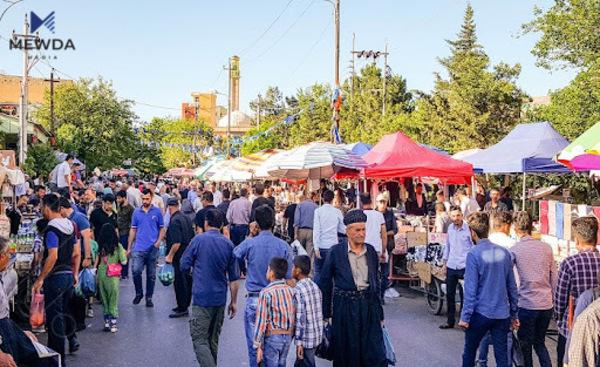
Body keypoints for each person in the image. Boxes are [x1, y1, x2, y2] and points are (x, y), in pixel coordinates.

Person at [318, 209, 386, 367]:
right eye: (357, 230)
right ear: (347, 232)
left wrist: (380, 314)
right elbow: (325, 283)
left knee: (373, 353)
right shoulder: (336, 252)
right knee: (347, 353)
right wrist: (326, 314)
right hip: (345, 308)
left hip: (368, 307)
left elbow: (376, 283)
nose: (362, 234)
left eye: (364, 229)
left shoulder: (370, 252)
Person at [233, 204, 294, 367]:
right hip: (278, 301)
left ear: (256, 224)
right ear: (273, 222)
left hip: (255, 299)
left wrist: (250, 236)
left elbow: (235, 253)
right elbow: (290, 278)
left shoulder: (250, 243)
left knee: (255, 347)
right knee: (277, 348)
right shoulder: (283, 246)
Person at [458, 212, 519, 367]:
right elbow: (512, 287)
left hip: (480, 313)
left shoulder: (473, 254)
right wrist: (513, 313)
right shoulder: (504, 253)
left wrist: (465, 317)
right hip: (501, 314)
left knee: (470, 351)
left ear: (472, 233)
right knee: (502, 355)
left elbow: (470, 290)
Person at [181, 209, 239, 366]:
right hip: (220, 298)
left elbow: (184, 265)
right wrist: (233, 302)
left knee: (199, 339)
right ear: (221, 225)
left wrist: (193, 270)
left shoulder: (198, 240)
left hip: (202, 297)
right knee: (213, 340)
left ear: (206, 223)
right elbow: (234, 278)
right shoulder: (228, 244)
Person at [32, 193, 80, 364]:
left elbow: (52, 255)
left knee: (55, 320)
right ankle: (55, 357)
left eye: (42, 207)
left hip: (56, 278)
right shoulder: (70, 225)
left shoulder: (52, 229)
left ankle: (57, 359)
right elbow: (76, 252)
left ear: (46, 207)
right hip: (68, 276)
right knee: (61, 315)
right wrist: (74, 273)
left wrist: (40, 279)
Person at [509, 211, 557, 367]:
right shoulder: (547, 248)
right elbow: (554, 278)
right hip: (546, 304)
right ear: (531, 227)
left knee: (525, 345)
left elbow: (511, 281)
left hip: (526, 304)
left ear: (515, 229)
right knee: (540, 342)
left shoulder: (515, 250)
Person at [554, 216, 600, 367]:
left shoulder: (570, 263)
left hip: (572, 327)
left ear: (577, 240)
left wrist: (559, 321)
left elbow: (560, 300)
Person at [0, 236, 52, 367]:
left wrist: (19, 332)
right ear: (1, 256)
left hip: (6, 329)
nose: (9, 257)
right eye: (8, 253)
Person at [254, 257, 295, 367]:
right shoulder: (290, 291)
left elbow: (261, 321)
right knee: (282, 363)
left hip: (273, 337)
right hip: (287, 336)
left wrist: (258, 345)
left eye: (268, 269)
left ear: (271, 273)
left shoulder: (266, 293)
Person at [127, 189, 165, 308]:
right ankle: (139, 293)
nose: (145, 201)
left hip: (152, 247)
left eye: (147, 199)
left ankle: (149, 297)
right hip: (139, 247)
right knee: (136, 271)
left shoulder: (157, 212)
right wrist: (129, 247)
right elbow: (133, 229)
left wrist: (158, 242)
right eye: (143, 199)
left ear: (151, 198)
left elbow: (162, 228)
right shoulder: (136, 212)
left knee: (151, 275)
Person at [440, 206, 474, 329]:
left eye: (458, 215)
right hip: (452, 265)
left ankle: (465, 321)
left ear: (462, 216)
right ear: (450, 216)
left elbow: (473, 247)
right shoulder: (450, 228)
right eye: (453, 216)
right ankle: (450, 321)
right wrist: (445, 263)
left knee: (466, 295)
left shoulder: (468, 229)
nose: (456, 218)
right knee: (450, 294)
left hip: (464, 266)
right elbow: (447, 246)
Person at [164, 197, 195, 318]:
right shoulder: (185, 218)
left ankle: (182, 307)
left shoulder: (174, 220)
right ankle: (184, 304)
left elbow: (176, 242)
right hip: (187, 254)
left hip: (179, 255)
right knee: (187, 280)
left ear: (169, 208)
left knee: (179, 282)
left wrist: (170, 256)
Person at [95, 223, 127, 333]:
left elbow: (97, 260)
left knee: (104, 299)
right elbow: (123, 261)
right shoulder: (118, 247)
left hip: (102, 274)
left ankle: (106, 322)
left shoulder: (100, 247)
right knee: (113, 299)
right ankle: (113, 324)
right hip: (113, 276)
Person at [293, 255, 324, 367]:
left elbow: (301, 319)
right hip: (316, 334)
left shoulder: (298, 290)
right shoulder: (315, 286)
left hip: (306, 338)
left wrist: (299, 343)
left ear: (298, 271)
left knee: (308, 362)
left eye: (293, 267)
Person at [312, 190, 345, 284]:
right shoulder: (337, 212)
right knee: (333, 273)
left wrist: (316, 247)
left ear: (322, 198)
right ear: (332, 200)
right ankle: (331, 296)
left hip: (321, 246)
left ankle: (318, 294)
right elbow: (342, 229)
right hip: (333, 246)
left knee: (318, 272)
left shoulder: (318, 211)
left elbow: (316, 229)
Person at [361, 193, 387, 298]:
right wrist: (383, 250)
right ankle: (377, 296)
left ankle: (366, 295)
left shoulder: (360, 216)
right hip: (376, 248)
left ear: (361, 202)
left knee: (364, 273)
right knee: (376, 273)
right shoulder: (379, 215)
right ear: (371, 201)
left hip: (363, 248)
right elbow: (384, 235)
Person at [376, 192, 398, 300]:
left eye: (384, 202)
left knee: (385, 273)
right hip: (375, 245)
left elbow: (395, 229)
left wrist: (385, 233)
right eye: (380, 202)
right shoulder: (374, 214)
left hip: (387, 246)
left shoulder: (390, 214)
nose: (382, 204)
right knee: (374, 272)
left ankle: (381, 295)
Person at [227, 188, 252, 275]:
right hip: (244, 227)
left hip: (234, 227)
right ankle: (242, 269)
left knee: (235, 248)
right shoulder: (248, 203)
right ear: (246, 194)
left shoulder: (233, 203)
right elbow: (250, 215)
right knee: (242, 248)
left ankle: (235, 268)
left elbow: (228, 217)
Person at [294, 192, 318, 270]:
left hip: (301, 230)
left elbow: (296, 220)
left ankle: (299, 271)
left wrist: (295, 233)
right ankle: (309, 273)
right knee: (310, 254)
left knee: (300, 253)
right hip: (311, 231)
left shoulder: (300, 205)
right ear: (313, 198)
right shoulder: (316, 207)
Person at [116, 190, 134, 279]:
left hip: (125, 233)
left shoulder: (130, 209)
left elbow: (132, 223)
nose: (118, 200)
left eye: (119, 198)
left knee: (125, 253)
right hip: (118, 233)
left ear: (124, 198)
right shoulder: (118, 207)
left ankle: (125, 273)